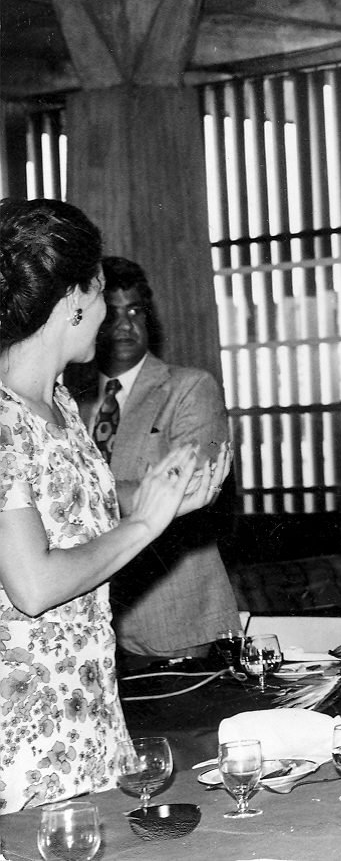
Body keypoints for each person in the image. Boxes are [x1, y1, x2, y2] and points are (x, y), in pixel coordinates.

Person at [0, 198, 225, 814]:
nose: (106, 315)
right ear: (73, 298)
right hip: (25, 722)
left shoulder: (59, 405)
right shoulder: (3, 418)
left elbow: (73, 515)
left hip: (87, 705)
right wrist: (146, 522)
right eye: (100, 293)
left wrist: (167, 501)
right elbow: (34, 585)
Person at [69, 256, 238, 669]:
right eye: (112, 314)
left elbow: (190, 486)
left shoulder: (189, 387)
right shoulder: (68, 398)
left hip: (172, 617)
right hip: (88, 617)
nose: (125, 326)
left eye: (135, 312)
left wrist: (73, 492)